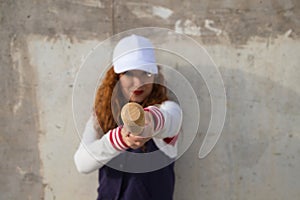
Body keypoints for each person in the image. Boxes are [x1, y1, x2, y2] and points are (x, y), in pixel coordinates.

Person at [74, 34, 182, 200]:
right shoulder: (102, 114)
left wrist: (150, 121)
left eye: (145, 73)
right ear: (117, 77)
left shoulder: (168, 108)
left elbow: (170, 121)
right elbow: (82, 163)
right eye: (129, 73)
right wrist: (118, 139)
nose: (138, 83)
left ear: (155, 75)